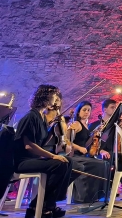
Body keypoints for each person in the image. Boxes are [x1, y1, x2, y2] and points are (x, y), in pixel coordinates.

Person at [13, 85, 73, 218]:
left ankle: (44, 203)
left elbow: (42, 143)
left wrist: (54, 129)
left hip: (32, 159)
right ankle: (45, 204)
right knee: (59, 163)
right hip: (22, 161)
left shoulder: (40, 117)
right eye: (54, 97)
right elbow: (29, 146)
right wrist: (53, 156)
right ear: (45, 98)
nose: (57, 100)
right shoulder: (31, 116)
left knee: (68, 161)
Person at [67, 101, 111, 203]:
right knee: (98, 164)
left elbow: (85, 145)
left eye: (89, 110)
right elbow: (66, 141)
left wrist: (93, 135)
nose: (87, 112)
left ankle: (98, 194)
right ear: (78, 112)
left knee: (104, 163)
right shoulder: (76, 124)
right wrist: (78, 148)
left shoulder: (85, 125)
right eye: (84, 110)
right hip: (75, 156)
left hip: (82, 155)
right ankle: (84, 196)